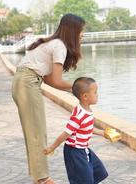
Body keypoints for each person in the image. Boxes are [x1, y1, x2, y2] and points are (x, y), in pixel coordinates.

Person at [12, 13, 85, 184]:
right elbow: (57, 81)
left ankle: (39, 178)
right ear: (73, 31)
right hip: (27, 83)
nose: (82, 35)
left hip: (26, 82)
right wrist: (80, 86)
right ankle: (43, 179)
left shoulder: (55, 44)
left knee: (35, 132)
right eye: (81, 31)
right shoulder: (59, 46)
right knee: (37, 133)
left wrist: (74, 90)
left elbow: (51, 81)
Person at [44, 77, 108, 184]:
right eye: (95, 92)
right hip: (74, 152)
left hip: (83, 150)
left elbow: (87, 128)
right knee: (83, 180)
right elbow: (65, 134)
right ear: (85, 96)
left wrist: (102, 133)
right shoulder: (78, 116)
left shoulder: (87, 111)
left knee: (98, 172)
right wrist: (52, 147)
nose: (97, 95)